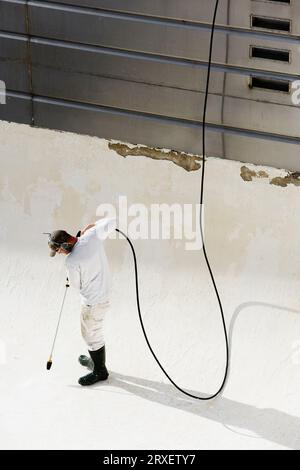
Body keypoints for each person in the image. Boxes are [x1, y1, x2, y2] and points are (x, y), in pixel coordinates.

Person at [47, 218, 116, 386]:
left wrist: (71, 275)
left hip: (93, 303)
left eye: (59, 251)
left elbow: (76, 286)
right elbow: (113, 221)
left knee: (91, 336)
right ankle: (97, 363)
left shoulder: (72, 262)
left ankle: (100, 371)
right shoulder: (92, 236)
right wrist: (90, 227)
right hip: (105, 295)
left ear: (64, 246)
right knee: (94, 333)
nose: (61, 254)